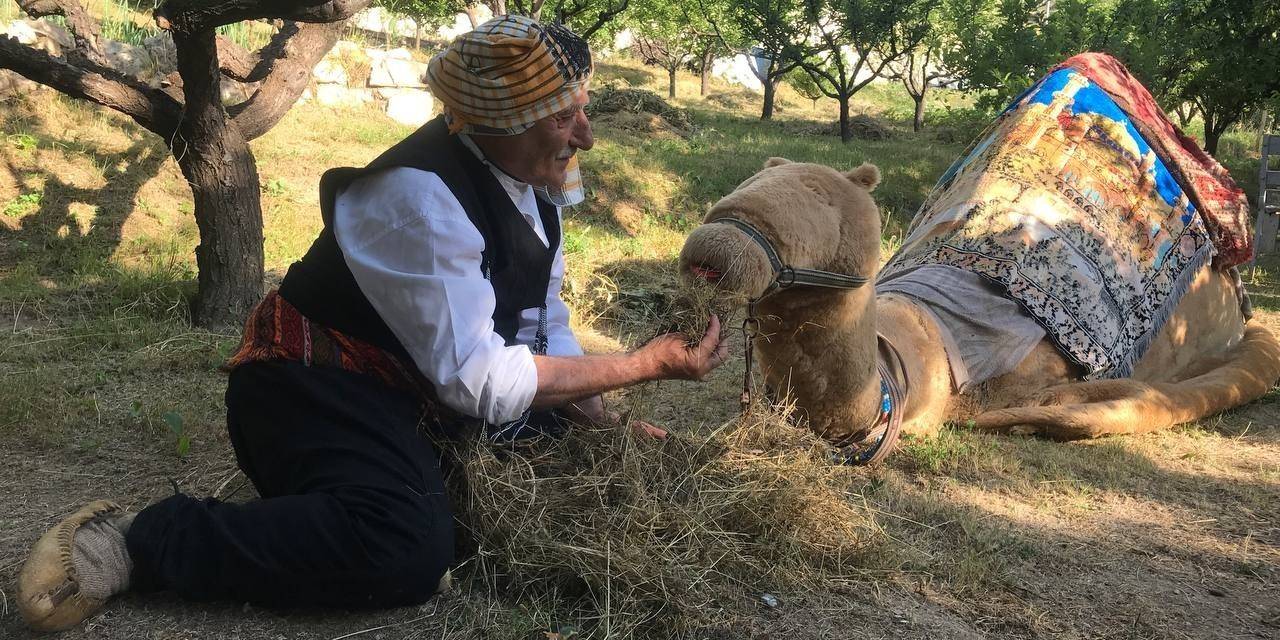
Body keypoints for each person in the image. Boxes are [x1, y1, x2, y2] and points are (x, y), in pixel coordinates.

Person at [16, 15, 728, 632]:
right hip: (311, 390)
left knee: (564, 453)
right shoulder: (420, 200)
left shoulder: (536, 178)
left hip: (417, 389)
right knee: (404, 548)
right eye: (563, 116)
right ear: (499, 120)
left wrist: (600, 423)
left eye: (583, 108)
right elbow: (480, 381)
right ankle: (139, 542)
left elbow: (539, 322)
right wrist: (643, 364)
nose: (586, 135)